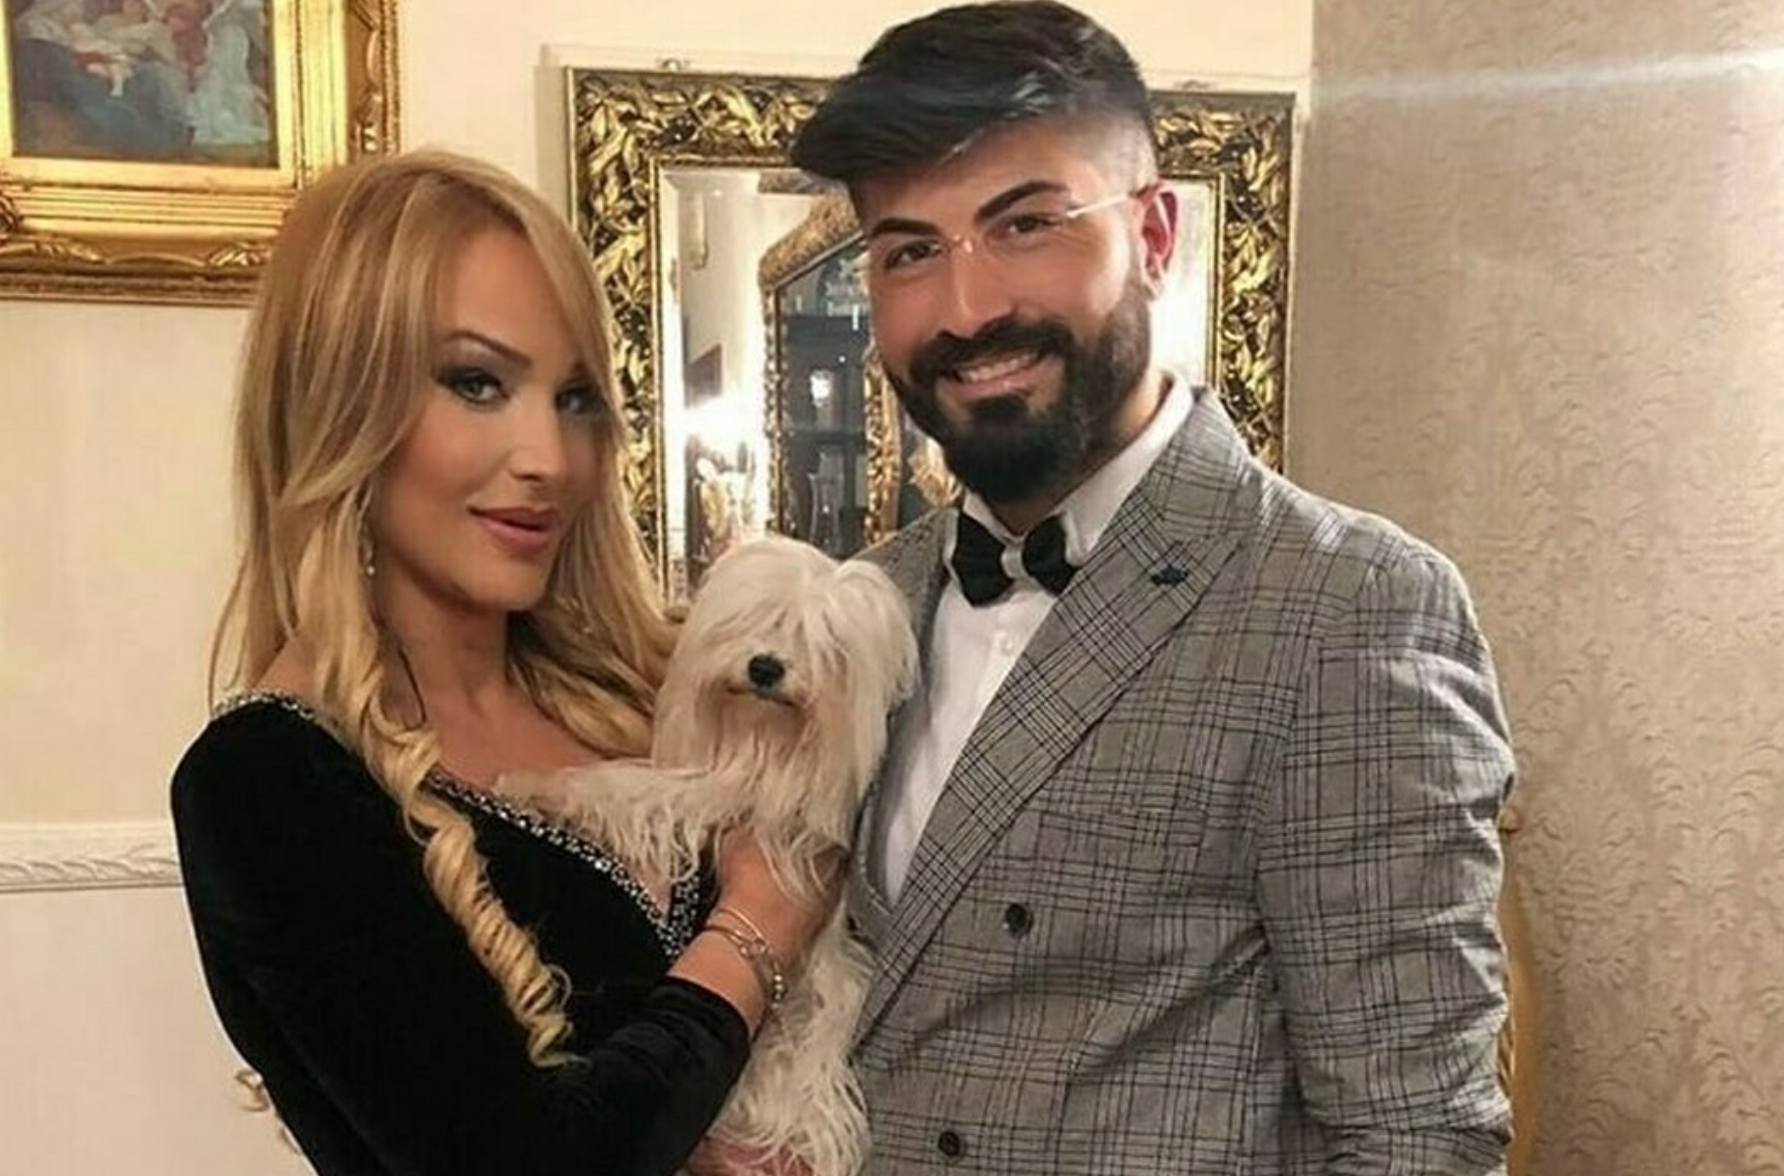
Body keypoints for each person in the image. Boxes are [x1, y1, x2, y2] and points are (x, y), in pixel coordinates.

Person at [790, 3, 1517, 1173]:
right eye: (909, 250)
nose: (966, 310)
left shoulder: (1348, 606)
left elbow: (1411, 1134)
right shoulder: (865, 598)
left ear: (1155, 233)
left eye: (1025, 223)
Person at [170, 150, 834, 1176]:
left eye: (575, 398)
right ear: (339, 403)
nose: (548, 458)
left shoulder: (660, 687)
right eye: (476, 383)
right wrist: (757, 928)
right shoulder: (267, 782)